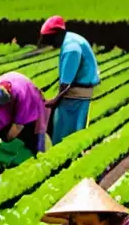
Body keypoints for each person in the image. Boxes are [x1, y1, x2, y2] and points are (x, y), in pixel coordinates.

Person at [40, 16, 99, 145]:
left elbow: (66, 84)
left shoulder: (71, 48)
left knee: (64, 131)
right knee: (72, 128)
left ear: (57, 34)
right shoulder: (70, 39)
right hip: (79, 92)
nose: (50, 43)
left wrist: (53, 102)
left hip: (76, 95)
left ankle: (65, 155)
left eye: (50, 39)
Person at [0, 72, 49, 156]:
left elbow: (18, 126)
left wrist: (6, 139)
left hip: (32, 103)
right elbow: (0, 116)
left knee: (34, 139)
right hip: (15, 87)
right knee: (4, 127)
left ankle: (36, 153)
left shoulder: (22, 96)